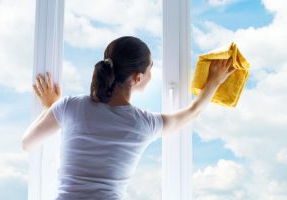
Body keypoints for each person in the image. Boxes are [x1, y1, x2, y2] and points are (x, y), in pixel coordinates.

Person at [22, 36, 235, 199]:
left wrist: (51, 107)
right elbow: (193, 112)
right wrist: (214, 81)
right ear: (137, 78)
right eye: (151, 68)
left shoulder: (69, 106)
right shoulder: (142, 124)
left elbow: (27, 143)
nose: (152, 74)